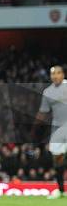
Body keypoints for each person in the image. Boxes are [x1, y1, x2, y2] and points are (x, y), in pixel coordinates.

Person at [36, 65, 67, 199]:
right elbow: (43, 112)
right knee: (58, 159)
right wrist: (34, 126)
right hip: (57, 129)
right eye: (53, 74)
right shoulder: (47, 92)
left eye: (58, 73)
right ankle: (60, 190)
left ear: (63, 74)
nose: (55, 76)